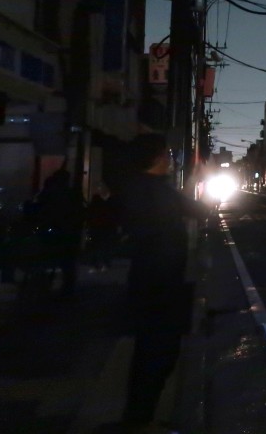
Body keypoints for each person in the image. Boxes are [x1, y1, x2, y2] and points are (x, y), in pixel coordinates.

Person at [117, 134, 207, 430]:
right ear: (156, 157)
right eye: (167, 154)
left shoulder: (141, 188)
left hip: (150, 281)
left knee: (150, 353)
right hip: (162, 285)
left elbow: (185, 207)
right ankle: (140, 421)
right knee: (159, 354)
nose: (170, 158)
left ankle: (140, 418)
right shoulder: (155, 191)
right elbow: (196, 209)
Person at [32, 167, 87, 295]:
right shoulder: (67, 194)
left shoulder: (59, 194)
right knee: (63, 261)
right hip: (62, 231)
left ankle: (54, 286)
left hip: (62, 231)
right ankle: (58, 286)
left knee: (59, 260)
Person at [86, 182, 120, 270]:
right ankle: (103, 263)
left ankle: (98, 263)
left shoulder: (97, 202)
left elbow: (90, 214)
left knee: (98, 245)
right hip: (103, 226)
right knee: (103, 245)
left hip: (99, 226)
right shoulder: (108, 202)